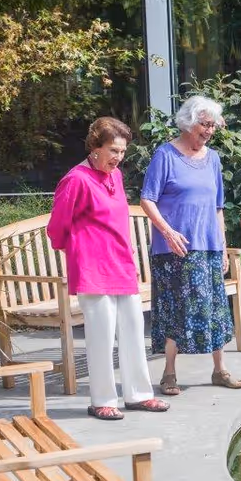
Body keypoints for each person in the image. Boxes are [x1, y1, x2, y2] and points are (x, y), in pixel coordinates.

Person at [48, 117, 169, 420]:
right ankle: (102, 400)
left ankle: (139, 395)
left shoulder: (114, 176)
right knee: (102, 335)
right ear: (95, 147)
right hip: (93, 267)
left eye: (123, 152)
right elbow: (57, 228)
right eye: (113, 150)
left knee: (133, 330)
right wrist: (80, 252)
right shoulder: (76, 179)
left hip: (121, 264)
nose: (118, 158)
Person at [140, 95, 241, 395]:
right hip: (175, 249)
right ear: (188, 123)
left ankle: (219, 370)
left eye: (213, 125)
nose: (209, 131)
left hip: (208, 246)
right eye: (205, 124)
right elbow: (147, 199)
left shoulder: (212, 159)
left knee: (214, 308)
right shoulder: (166, 155)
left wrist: (223, 245)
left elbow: (217, 207)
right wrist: (168, 232)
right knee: (177, 309)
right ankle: (169, 373)